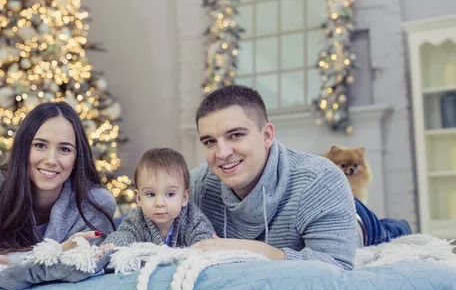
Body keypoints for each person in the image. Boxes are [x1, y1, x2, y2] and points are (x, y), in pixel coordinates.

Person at [189, 85, 358, 270]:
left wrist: (256, 251)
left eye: (236, 135)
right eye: (210, 142)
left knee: (387, 229)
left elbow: (338, 266)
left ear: (267, 135)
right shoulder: (196, 185)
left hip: (353, 218)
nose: (222, 153)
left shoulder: (322, 180)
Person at [0, 102, 116, 276]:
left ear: (76, 158)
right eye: (40, 145)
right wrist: (60, 251)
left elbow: (81, 265)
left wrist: (15, 260)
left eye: (64, 149)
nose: (51, 160)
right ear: (23, 148)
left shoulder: (97, 203)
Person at [100, 148, 215, 251]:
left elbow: (204, 240)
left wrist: (199, 249)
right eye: (151, 194)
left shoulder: (193, 218)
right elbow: (124, 234)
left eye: (170, 194)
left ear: (184, 198)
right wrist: (112, 244)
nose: (159, 203)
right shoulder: (137, 219)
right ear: (139, 198)